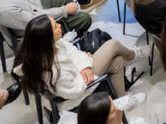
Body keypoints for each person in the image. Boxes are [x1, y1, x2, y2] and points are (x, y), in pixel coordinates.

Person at [13, 15, 143, 111]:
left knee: (117, 61)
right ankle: (134, 56)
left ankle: (122, 100)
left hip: (80, 71)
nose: (59, 25)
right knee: (113, 45)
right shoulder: (52, 69)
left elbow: (71, 49)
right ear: (47, 37)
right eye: (55, 27)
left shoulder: (46, 47)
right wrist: (84, 72)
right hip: (80, 86)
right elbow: (73, 91)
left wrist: (84, 65)